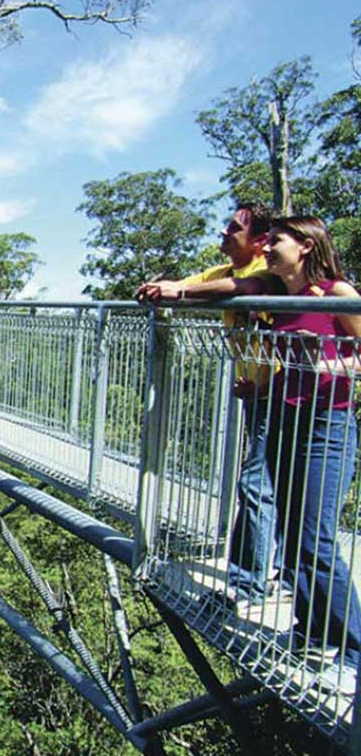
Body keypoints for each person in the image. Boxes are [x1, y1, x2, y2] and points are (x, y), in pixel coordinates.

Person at [141, 216, 361, 692]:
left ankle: (352, 647)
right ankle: (311, 631)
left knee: (315, 541)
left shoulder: (336, 292)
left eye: (277, 240)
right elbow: (225, 285)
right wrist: (176, 291)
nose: (270, 248)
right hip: (283, 413)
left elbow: (357, 354)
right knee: (291, 528)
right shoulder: (272, 288)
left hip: (327, 425)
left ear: (304, 247)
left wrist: (322, 360)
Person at [136, 204, 278, 604]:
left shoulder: (266, 274)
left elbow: (244, 292)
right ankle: (280, 572)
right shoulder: (226, 273)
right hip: (259, 393)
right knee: (276, 483)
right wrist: (160, 289)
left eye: (234, 227)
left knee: (257, 484)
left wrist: (178, 291)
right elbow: (193, 283)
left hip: (288, 394)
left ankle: (248, 584)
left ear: (260, 241)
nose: (224, 231)